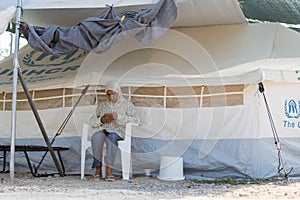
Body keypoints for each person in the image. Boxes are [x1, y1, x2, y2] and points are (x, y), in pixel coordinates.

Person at [89, 81, 139, 181]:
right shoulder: (102, 105)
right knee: (96, 137)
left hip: (118, 132)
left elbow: (136, 120)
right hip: (104, 131)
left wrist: (118, 117)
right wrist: (101, 120)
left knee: (111, 137)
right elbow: (92, 121)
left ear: (118, 93)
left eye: (113, 94)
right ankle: (98, 169)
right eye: (109, 94)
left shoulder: (126, 104)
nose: (111, 97)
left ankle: (109, 170)